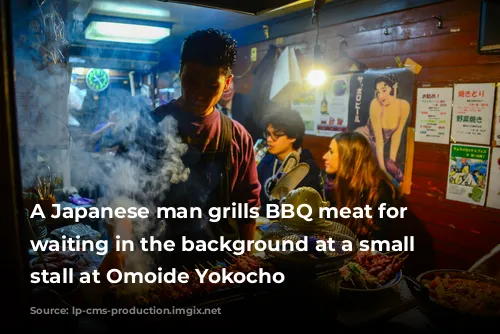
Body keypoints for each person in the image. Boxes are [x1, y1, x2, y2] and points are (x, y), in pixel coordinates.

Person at [100, 29, 261, 272]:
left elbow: (247, 207)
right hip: (155, 265)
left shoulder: (238, 138)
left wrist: (245, 259)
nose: (199, 92)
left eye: (211, 84)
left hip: (218, 268)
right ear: (180, 72)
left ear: (227, 83)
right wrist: (118, 252)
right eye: (191, 80)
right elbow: (122, 197)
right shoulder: (146, 127)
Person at [322, 132, 434, 275]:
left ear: (348, 157)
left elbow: (381, 243)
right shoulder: (334, 182)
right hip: (371, 258)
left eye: (331, 152)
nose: (324, 156)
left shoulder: (380, 191)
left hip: (404, 261)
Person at [258, 108, 321, 216]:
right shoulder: (267, 160)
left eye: (276, 135)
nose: (269, 139)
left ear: (293, 136)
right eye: (268, 134)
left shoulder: (306, 167)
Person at [355, 74, 411, 185]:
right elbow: (379, 141)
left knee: (396, 176)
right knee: (369, 175)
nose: (381, 96)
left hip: (378, 146)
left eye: (384, 90)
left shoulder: (404, 106)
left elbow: (396, 135)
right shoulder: (376, 104)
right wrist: (384, 171)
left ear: (394, 88)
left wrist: (392, 163)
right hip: (364, 139)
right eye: (378, 92)